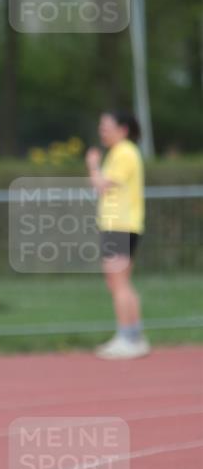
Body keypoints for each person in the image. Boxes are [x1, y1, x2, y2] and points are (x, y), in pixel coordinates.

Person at [85, 111, 150, 359]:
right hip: (122, 224)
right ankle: (134, 335)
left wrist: (92, 164)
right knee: (120, 282)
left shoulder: (124, 152)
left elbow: (102, 185)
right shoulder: (123, 152)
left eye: (107, 126)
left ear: (123, 129)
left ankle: (127, 337)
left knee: (118, 283)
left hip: (120, 225)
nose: (102, 131)